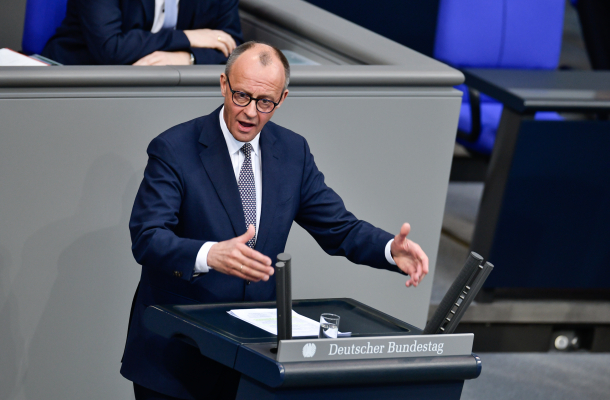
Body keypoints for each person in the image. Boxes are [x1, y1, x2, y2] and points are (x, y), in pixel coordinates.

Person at [121, 41, 429, 400]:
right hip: (177, 356)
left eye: (264, 102)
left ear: (281, 99)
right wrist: (208, 254)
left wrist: (390, 249)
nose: (251, 112)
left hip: (252, 360)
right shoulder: (175, 148)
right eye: (241, 96)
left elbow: (338, 226)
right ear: (223, 85)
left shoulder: (293, 152)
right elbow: (147, 236)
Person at [41, 0, 242, 66]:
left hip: (162, 87)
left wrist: (185, 57)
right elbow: (110, 47)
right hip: (79, 77)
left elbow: (233, 48)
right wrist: (188, 37)